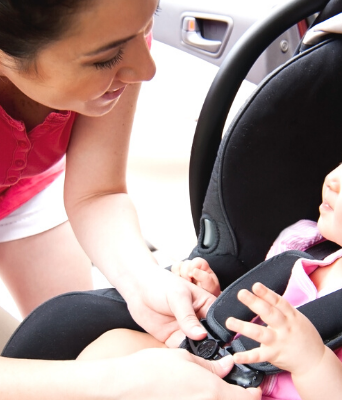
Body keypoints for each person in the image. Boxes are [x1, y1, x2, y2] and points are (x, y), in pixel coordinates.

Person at [0, 1, 263, 399]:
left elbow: (97, 192)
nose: (147, 69)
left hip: (24, 190)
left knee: (63, 329)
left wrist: (144, 283)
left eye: (145, 27)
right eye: (106, 58)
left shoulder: (113, 26)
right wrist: (111, 381)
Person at [78, 97, 342, 400]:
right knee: (111, 348)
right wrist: (216, 304)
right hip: (224, 370)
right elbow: (251, 329)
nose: (332, 179)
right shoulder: (308, 250)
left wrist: (313, 362)